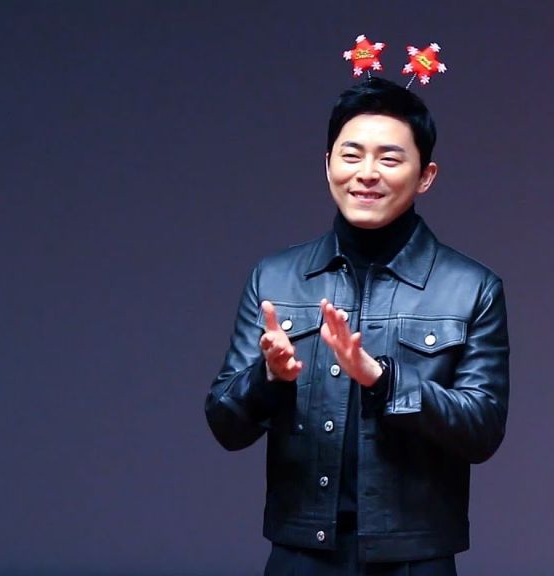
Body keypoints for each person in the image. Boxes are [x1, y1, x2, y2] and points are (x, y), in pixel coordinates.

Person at [206, 76, 510, 575]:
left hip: (415, 559)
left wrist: (384, 380)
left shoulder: (472, 287)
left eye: (389, 159)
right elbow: (224, 425)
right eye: (351, 155)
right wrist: (269, 378)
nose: (366, 173)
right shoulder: (275, 278)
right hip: (300, 556)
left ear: (426, 175)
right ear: (328, 164)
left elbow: (483, 429)